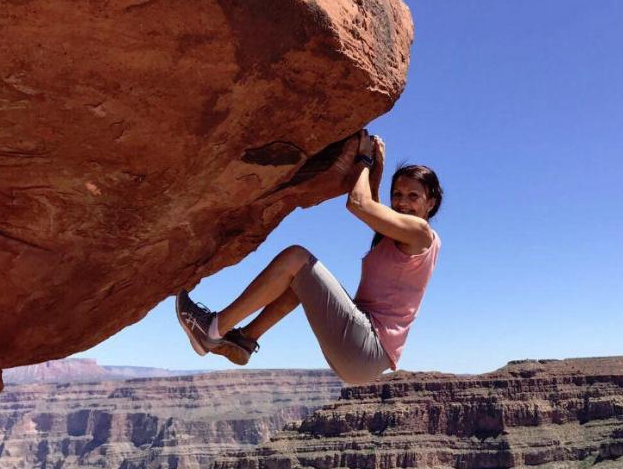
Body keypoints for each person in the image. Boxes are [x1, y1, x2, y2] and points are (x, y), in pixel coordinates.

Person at [175, 130, 442, 385]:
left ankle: (211, 329)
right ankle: (245, 339)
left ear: (430, 203)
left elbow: (359, 204)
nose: (402, 202)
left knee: (296, 259)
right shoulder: (406, 235)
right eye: (397, 194)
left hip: (367, 347)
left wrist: (364, 159)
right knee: (299, 283)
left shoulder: (420, 233)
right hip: (364, 353)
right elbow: (375, 213)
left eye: (413, 196)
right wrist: (376, 168)